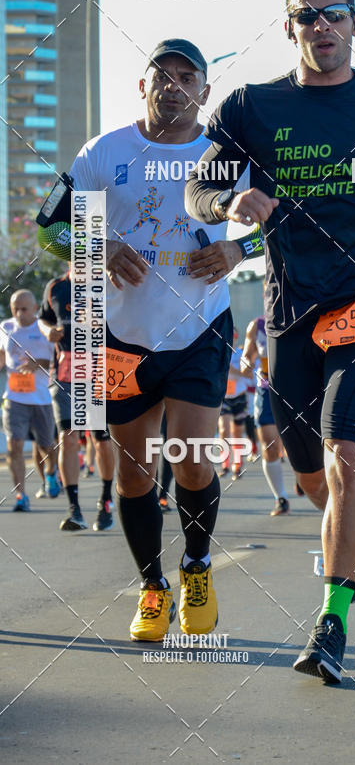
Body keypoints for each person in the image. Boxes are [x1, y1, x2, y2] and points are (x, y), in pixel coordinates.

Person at [185, 0, 355, 683]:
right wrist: (227, 207)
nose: (322, 27)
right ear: (290, 28)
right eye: (308, 16)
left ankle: (330, 620)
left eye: (334, 14)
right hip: (289, 311)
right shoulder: (251, 106)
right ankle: (351, 543)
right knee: (313, 476)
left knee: (348, 458)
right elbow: (201, 186)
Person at [42, 38, 263, 641]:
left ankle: (195, 564)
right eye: (161, 75)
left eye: (187, 76)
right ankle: (152, 585)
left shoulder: (225, 156)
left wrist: (236, 248)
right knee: (136, 473)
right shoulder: (103, 152)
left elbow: (273, 229)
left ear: (204, 92)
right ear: (142, 86)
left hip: (199, 328)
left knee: (191, 459)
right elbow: (50, 229)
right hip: (120, 334)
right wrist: (102, 246)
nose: (173, 85)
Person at [39, 266, 116, 531]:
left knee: (101, 440)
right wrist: (47, 330)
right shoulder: (55, 287)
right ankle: (74, 509)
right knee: (67, 437)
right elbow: (43, 318)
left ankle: (106, 500)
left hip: (99, 373)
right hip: (64, 372)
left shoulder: (108, 283)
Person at [0, 290, 58, 511]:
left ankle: (51, 472)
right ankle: (21, 495)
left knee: (46, 445)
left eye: (24, 309)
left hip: (42, 397)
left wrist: (36, 363)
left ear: (35, 309)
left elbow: (55, 359)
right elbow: (2, 355)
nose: (19, 313)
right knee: (13, 446)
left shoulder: (43, 328)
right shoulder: (5, 327)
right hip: (14, 397)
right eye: (15, 308)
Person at [241, 314, 290, 515]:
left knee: (299, 443)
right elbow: (246, 358)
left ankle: (306, 477)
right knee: (270, 444)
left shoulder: (304, 314)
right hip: (266, 390)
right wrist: (247, 364)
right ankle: (281, 497)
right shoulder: (256, 325)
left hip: (296, 390)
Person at [218, 330, 248, 480]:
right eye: (231, 335)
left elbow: (249, 374)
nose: (233, 338)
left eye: (235, 336)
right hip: (224, 397)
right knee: (224, 430)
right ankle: (225, 465)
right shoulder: (221, 352)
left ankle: (237, 465)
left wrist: (233, 370)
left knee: (237, 433)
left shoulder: (242, 353)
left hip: (239, 397)